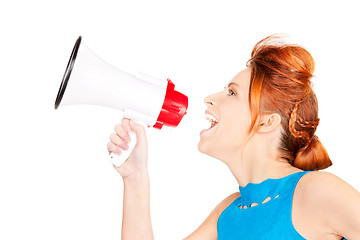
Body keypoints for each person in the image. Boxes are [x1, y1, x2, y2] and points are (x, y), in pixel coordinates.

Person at [107, 35, 360, 240]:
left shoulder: (315, 190)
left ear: (266, 121)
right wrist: (135, 177)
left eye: (231, 93)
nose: (209, 98)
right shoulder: (227, 213)